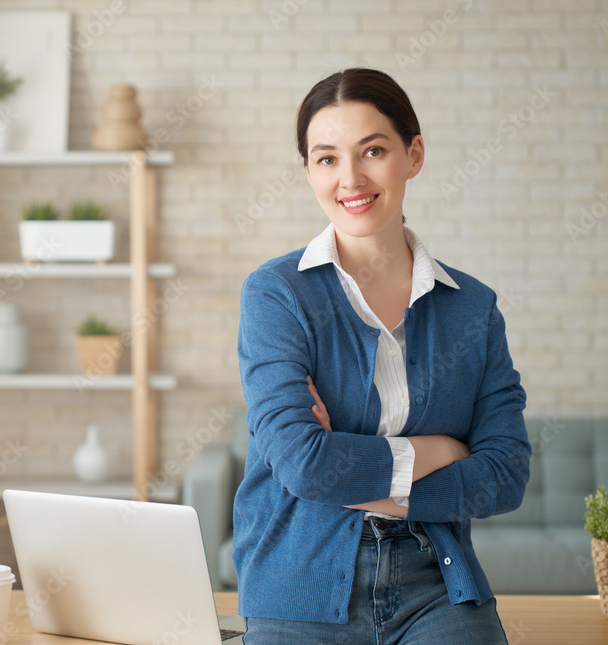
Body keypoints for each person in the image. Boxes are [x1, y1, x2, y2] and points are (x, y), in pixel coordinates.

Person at [233, 68, 531, 644]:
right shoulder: (276, 295)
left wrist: (359, 479)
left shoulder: (473, 309)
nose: (351, 178)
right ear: (308, 171)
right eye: (327, 159)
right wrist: (440, 450)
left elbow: (507, 472)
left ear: (413, 155)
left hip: (438, 585)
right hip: (299, 583)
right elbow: (302, 464)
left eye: (373, 150)